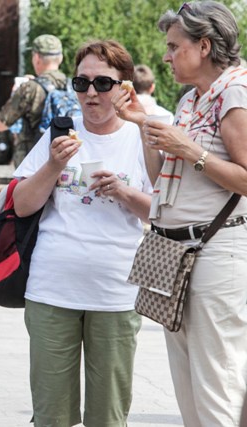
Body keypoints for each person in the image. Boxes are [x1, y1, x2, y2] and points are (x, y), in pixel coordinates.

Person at [114, 2, 247, 425]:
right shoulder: (192, 97)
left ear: (204, 46)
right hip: (180, 253)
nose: (165, 56)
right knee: (190, 390)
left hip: (217, 253)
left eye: (174, 47)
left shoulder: (234, 93)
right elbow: (162, 179)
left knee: (216, 389)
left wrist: (190, 149)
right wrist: (141, 124)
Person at [13, 39, 152, 426]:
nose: (91, 93)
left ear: (125, 87)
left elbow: (163, 212)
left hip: (115, 293)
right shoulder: (60, 134)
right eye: (82, 83)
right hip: (52, 289)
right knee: (51, 415)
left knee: (107, 416)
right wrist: (53, 166)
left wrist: (123, 192)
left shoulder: (142, 137)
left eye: (103, 83)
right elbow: (22, 205)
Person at [0, 34, 66, 167]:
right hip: (65, 160)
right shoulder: (73, 85)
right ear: (60, 58)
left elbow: (1, 124)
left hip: (33, 163)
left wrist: (16, 93)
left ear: (36, 58)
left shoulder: (29, 88)